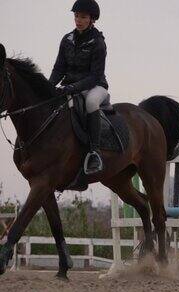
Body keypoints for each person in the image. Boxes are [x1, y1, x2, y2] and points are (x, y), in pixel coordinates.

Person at [49, 0, 108, 175]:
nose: (78, 20)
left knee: (90, 103)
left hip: (95, 86)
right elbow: (59, 68)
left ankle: (94, 151)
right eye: (76, 16)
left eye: (83, 17)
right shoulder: (66, 39)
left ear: (92, 19)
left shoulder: (98, 42)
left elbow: (95, 76)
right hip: (71, 86)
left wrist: (73, 87)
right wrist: (47, 88)